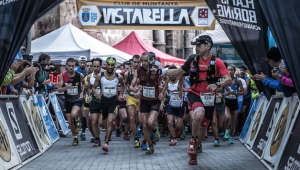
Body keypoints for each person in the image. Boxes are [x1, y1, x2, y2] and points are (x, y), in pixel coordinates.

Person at [150, 35, 231, 164]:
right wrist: (161, 72)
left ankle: (194, 151)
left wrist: (218, 85)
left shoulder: (217, 62)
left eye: (199, 45)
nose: (196, 48)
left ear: (208, 46)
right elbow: (178, 72)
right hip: (195, 94)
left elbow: (228, 79)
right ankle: (193, 141)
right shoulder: (193, 60)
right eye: (196, 46)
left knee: (204, 126)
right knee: (198, 116)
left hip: (210, 97)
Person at [130, 52, 162, 155]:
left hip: (154, 100)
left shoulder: (156, 68)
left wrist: (163, 92)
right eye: (142, 61)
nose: (143, 63)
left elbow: (166, 80)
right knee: (144, 125)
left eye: (145, 60)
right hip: (144, 100)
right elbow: (131, 85)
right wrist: (135, 90)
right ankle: (150, 146)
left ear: (151, 60)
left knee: (150, 123)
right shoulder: (138, 70)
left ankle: (155, 129)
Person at [92, 57, 125, 152]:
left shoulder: (118, 76)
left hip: (114, 101)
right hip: (103, 102)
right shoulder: (100, 76)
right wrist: (96, 94)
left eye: (112, 65)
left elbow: (123, 85)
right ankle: (111, 128)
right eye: (108, 65)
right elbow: (93, 87)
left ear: (115, 66)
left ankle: (106, 143)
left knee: (110, 120)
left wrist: (121, 94)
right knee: (102, 123)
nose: (110, 67)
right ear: (105, 65)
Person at [58, 58, 85, 146]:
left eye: (72, 66)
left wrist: (82, 92)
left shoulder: (79, 75)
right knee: (70, 122)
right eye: (69, 66)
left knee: (74, 114)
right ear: (66, 66)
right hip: (68, 100)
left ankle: (77, 121)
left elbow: (84, 84)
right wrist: (66, 88)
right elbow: (59, 89)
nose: (71, 67)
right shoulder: (63, 75)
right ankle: (75, 138)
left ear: (75, 66)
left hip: (77, 99)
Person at [161, 65, 184, 146]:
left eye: (174, 73)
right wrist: (162, 102)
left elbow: (183, 74)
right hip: (171, 106)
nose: (173, 75)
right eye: (171, 73)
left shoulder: (180, 81)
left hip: (180, 106)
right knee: (170, 122)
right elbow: (163, 92)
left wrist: (183, 89)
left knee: (179, 125)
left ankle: (177, 130)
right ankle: (173, 138)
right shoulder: (167, 81)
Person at [223, 65, 244, 144]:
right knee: (227, 117)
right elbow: (220, 90)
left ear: (234, 71)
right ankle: (227, 131)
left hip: (234, 102)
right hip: (227, 102)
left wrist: (236, 93)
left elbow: (244, 92)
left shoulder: (238, 81)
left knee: (233, 121)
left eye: (231, 70)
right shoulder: (225, 80)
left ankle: (231, 136)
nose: (230, 71)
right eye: (228, 70)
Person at [124, 55, 142, 148]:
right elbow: (125, 85)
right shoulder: (127, 73)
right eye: (134, 62)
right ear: (131, 62)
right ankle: (136, 138)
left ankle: (142, 133)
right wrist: (127, 91)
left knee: (140, 120)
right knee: (131, 117)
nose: (136, 64)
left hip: (141, 98)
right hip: (131, 97)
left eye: (138, 62)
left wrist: (141, 89)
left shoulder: (144, 72)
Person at [87, 58, 102, 147]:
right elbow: (89, 88)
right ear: (92, 67)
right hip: (94, 101)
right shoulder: (89, 77)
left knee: (101, 122)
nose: (96, 68)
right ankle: (97, 139)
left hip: (104, 102)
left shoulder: (104, 75)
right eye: (94, 66)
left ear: (100, 66)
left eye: (98, 66)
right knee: (93, 121)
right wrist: (89, 95)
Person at [82, 60, 94, 142]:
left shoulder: (96, 76)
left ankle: (97, 134)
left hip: (95, 101)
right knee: (88, 120)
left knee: (94, 119)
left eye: (91, 66)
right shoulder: (84, 77)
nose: (89, 67)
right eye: (87, 66)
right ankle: (94, 136)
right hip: (86, 101)